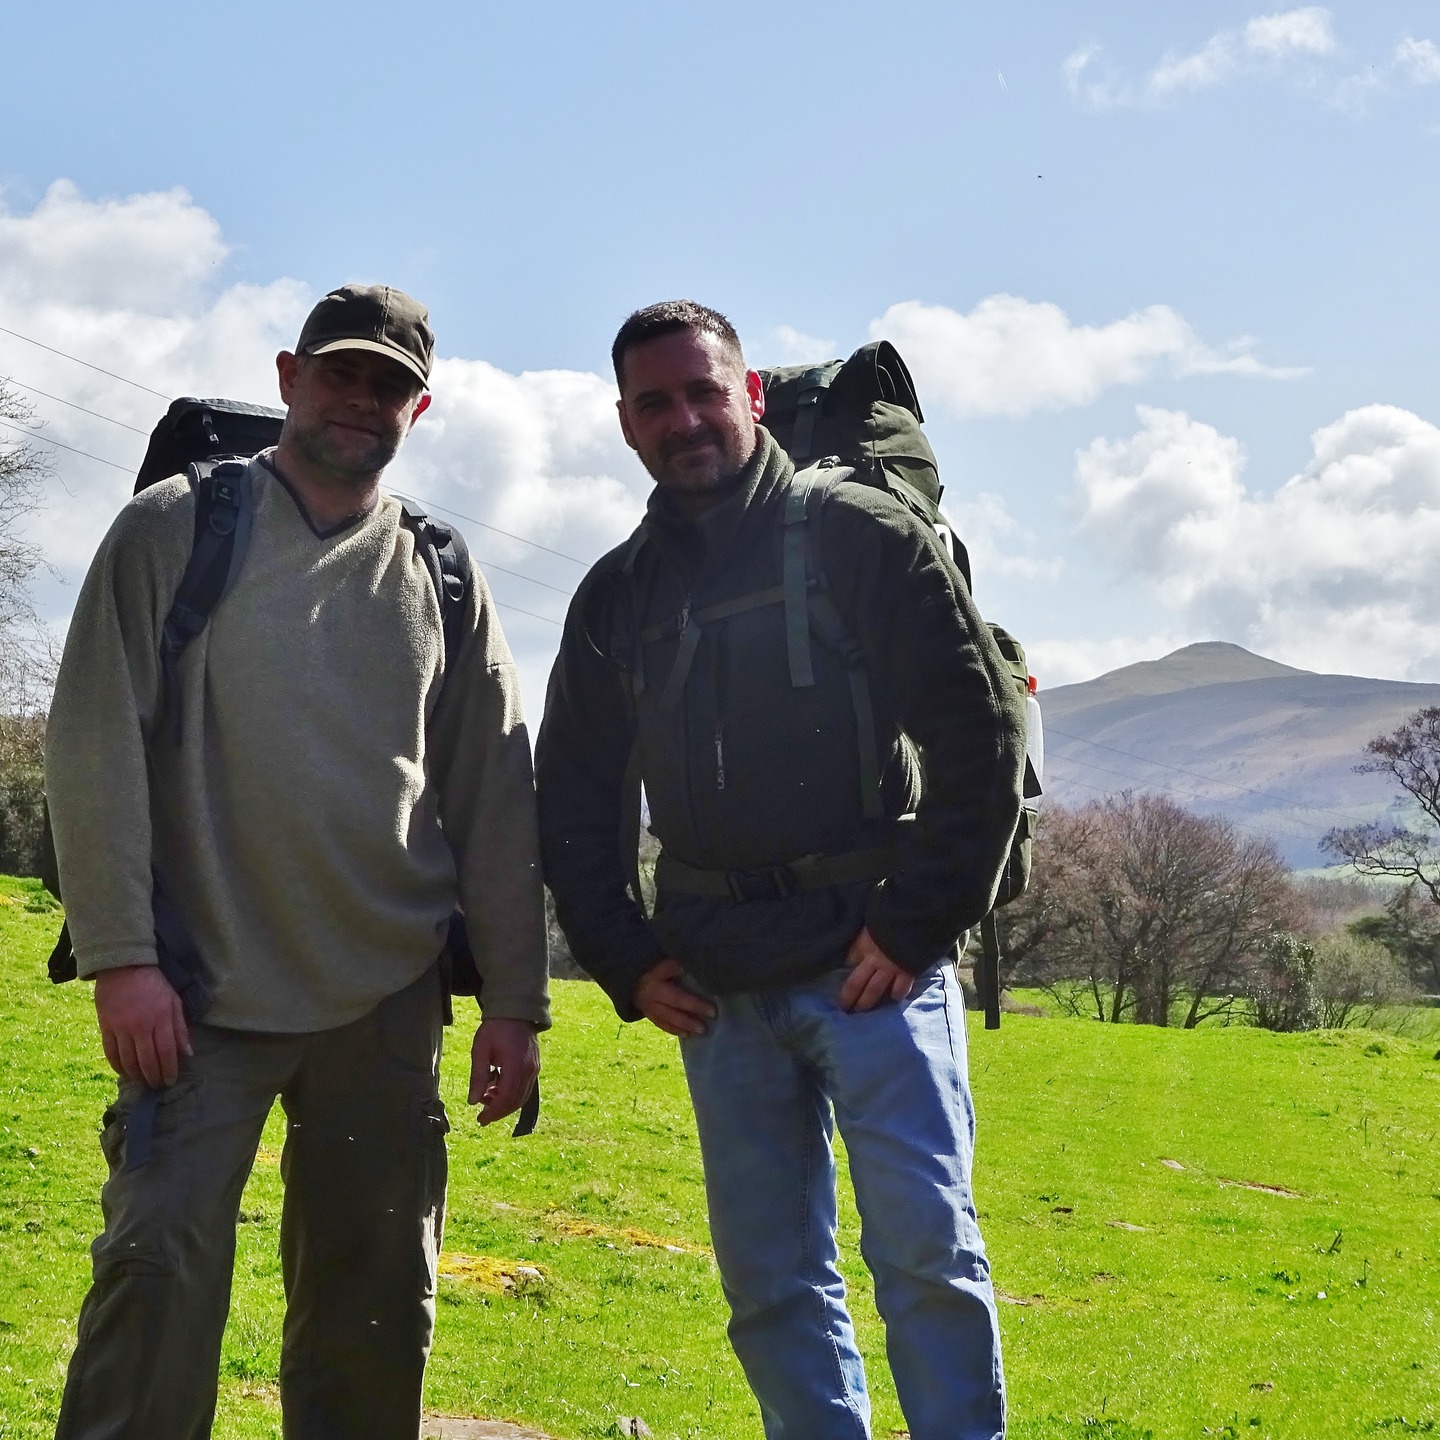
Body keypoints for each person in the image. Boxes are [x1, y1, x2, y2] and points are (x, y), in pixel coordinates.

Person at [45, 283, 550, 1440]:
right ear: (288, 376)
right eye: (342, 372)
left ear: (421, 408)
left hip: (384, 1002)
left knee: (376, 1310)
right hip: (196, 992)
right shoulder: (175, 526)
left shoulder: (441, 573)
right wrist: (122, 958)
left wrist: (515, 1003)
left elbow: (495, 798)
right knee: (155, 1275)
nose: (362, 400)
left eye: (390, 384)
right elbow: (91, 741)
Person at [536, 300, 1026, 1440]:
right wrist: (625, 956)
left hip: (877, 973)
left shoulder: (862, 535)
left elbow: (980, 741)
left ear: (751, 396)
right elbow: (573, 794)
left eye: (705, 391)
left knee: (927, 1261)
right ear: (624, 425)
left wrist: (912, 931)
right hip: (717, 992)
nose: (684, 419)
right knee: (770, 1289)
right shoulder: (618, 593)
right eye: (655, 403)